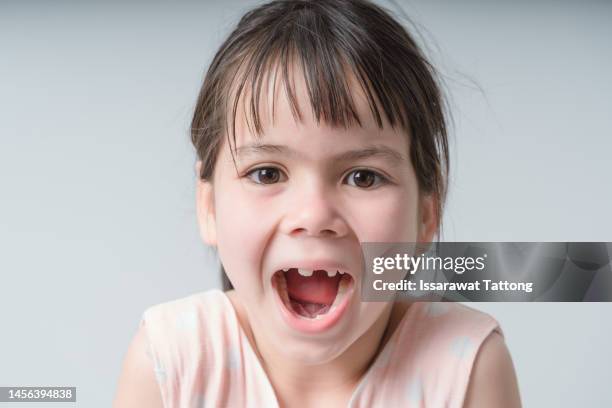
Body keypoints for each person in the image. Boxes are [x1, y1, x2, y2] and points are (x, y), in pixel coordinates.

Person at [114, 0, 521, 406]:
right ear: (210, 208)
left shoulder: (467, 365)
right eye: (267, 173)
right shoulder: (170, 363)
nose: (313, 216)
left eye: (363, 177)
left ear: (426, 215)